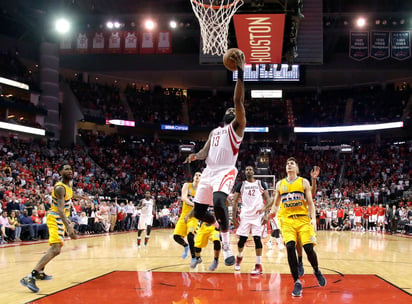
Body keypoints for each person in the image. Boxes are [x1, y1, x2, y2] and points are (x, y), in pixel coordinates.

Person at [184, 49, 246, 266]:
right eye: (229, 108)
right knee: (199, 211)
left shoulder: (237, 128)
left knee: (220, 201)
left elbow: (238, 100)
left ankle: (227, 244)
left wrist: (240, 72)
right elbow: (204, 152)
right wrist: (195, 156)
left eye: (234, 109)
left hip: (226, 170)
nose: (232, 109)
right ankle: (219, 225)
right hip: (209, 171)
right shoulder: (214, 132)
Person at [20, 164, 89, 293]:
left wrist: (80, 197)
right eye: (66, 169)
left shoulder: (68, 186)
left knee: (56, 248)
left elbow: (70, 196)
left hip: (60, 218)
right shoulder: (59, 188)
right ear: (60, 172)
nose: (69, 170)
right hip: (56, 217)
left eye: (70, 168)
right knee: (56, 249)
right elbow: (61, 211)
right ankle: (31, 276)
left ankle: (40, 271)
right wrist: (69, 227)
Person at [265, 158, 326, 297]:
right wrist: (271, 213)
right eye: (287, 164)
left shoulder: (303, 182)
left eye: (292, 163)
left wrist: (313, 219)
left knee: (308, 248)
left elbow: (310, 203)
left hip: (303, 219)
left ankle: (316, 270)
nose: (289, 165)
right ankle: (297, 282)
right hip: (287, 220)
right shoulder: (280, 184)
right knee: (290, 246)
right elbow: (275, 204)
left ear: (297, 168)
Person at [231, 166, 272, 274]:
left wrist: (266, 215)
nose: (248, 171)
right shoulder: (241, 185)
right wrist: (234, 217)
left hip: (258, 215)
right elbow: (235, 202)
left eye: (250, 169)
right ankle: (239, 258)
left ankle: (258, 265)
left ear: (254, 172)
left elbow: (267, 200)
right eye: (247, 169)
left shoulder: (261, 184)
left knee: (257, 239)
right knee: (242, 240)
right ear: (245, 172)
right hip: (245, 216)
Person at [173, 172, 201, 260]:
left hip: (194, 217)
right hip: (184, 215)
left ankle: (194, 257)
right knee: (176, 237)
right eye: (196, 175)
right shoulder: (187, 185)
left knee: (190, 236)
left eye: (200, 175)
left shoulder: (201, 189)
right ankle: (186, 246)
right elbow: (183, 198)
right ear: (193, 177)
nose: (197, 176)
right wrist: (194, 204)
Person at [187, 207, 221, 271]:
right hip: (203, 227)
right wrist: (188, 216)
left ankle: (216, 261)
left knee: (216, 241)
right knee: (197, 246)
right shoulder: (202, 202)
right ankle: (198, 258)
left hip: (214, 227)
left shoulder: (216, 201)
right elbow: (194, 209)